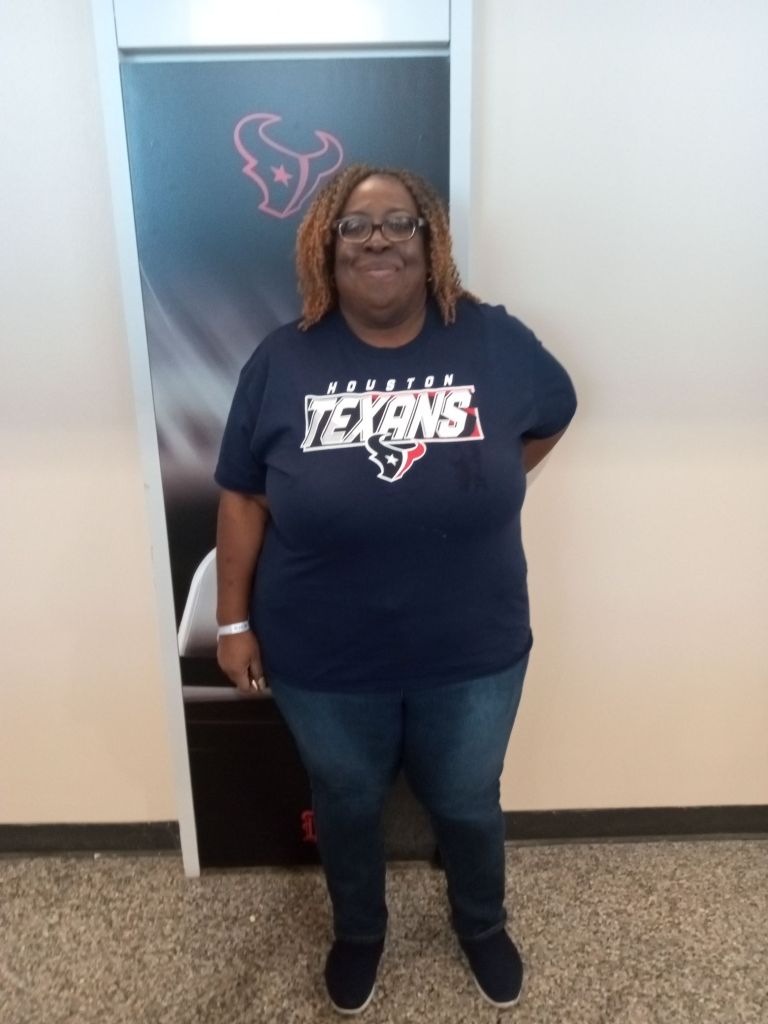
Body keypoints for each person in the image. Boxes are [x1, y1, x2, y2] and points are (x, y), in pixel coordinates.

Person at [214, 164, 577, 1014]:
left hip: (474, 646)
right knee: (346, 800)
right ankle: (359, 933)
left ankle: (480, 923)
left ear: (430, 239)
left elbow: (553, 415)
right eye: (355, 224)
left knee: (466, 800)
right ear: (326, 246)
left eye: (398, 222)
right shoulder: (282, 359)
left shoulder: (492, 340)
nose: (377, 237)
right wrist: (231, 623)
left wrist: (488, 481)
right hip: (322, 653)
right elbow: (241, 494)